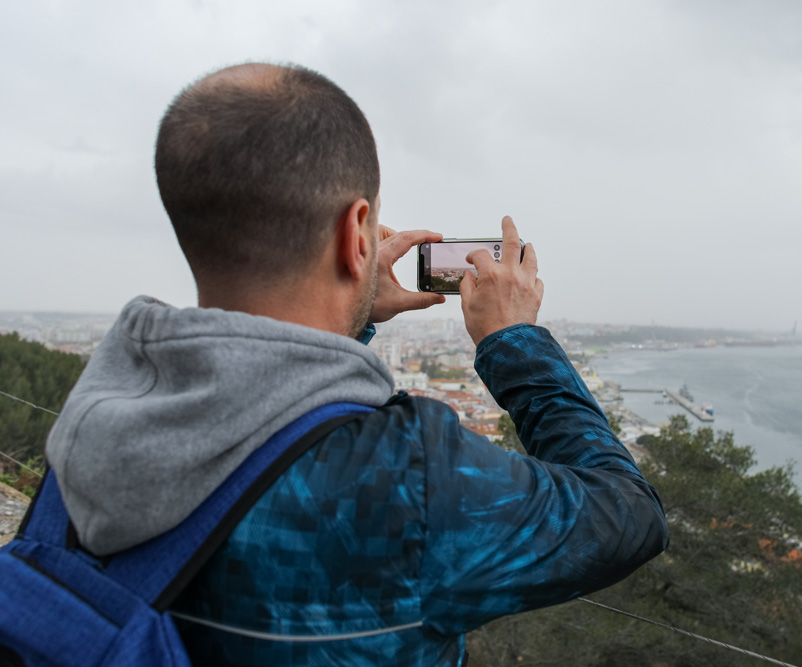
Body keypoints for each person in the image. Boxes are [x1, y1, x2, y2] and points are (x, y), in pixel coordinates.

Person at [44, 63, 669, 665]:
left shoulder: (100, 412)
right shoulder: (406, 480)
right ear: (358, 232)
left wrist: (352, 311)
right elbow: (627, 515)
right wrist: (514, 340)